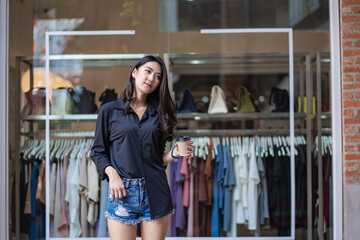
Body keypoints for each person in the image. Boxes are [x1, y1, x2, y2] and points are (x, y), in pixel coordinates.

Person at [91, 55, 193, 240]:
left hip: (156, 191)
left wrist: (173, 154)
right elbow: (97, 152)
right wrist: (112, 174)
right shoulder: (109, 111)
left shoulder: (160, 113)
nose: (152, 78)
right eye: (148, 71)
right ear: (135, 72)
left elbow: (155, 160)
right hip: (122, 192)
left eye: (158, 76)